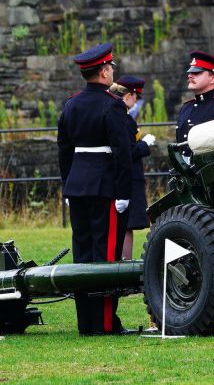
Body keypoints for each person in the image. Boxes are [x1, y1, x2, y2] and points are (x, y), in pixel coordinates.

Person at [57, 42, 133, 335]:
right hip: (106, 188)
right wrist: (124, 193)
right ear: (103, 72)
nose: (112, 71)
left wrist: (68, 186)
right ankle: (103, 323)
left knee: (83, 254)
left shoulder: (71, 104)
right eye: (111, 67)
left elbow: (64, 151)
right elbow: (122, 153)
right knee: (106, 256)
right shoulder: (112, 105)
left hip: (78, 187)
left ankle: (86, 323)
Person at [111, 76, 156, 261]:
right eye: (135, 95)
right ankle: (125, 261)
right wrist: (145, 145)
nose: (136, 100)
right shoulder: (123, 118)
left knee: (126, 223)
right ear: (128, 95)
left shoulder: (123, 116)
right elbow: (127, 151)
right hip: (128, 177)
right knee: (126, 224)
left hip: (128, 175)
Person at [175, 50, 214, 157]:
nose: (190, 76)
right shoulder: (186, 107)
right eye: (190, 72)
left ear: (213, 78)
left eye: (197, 72)